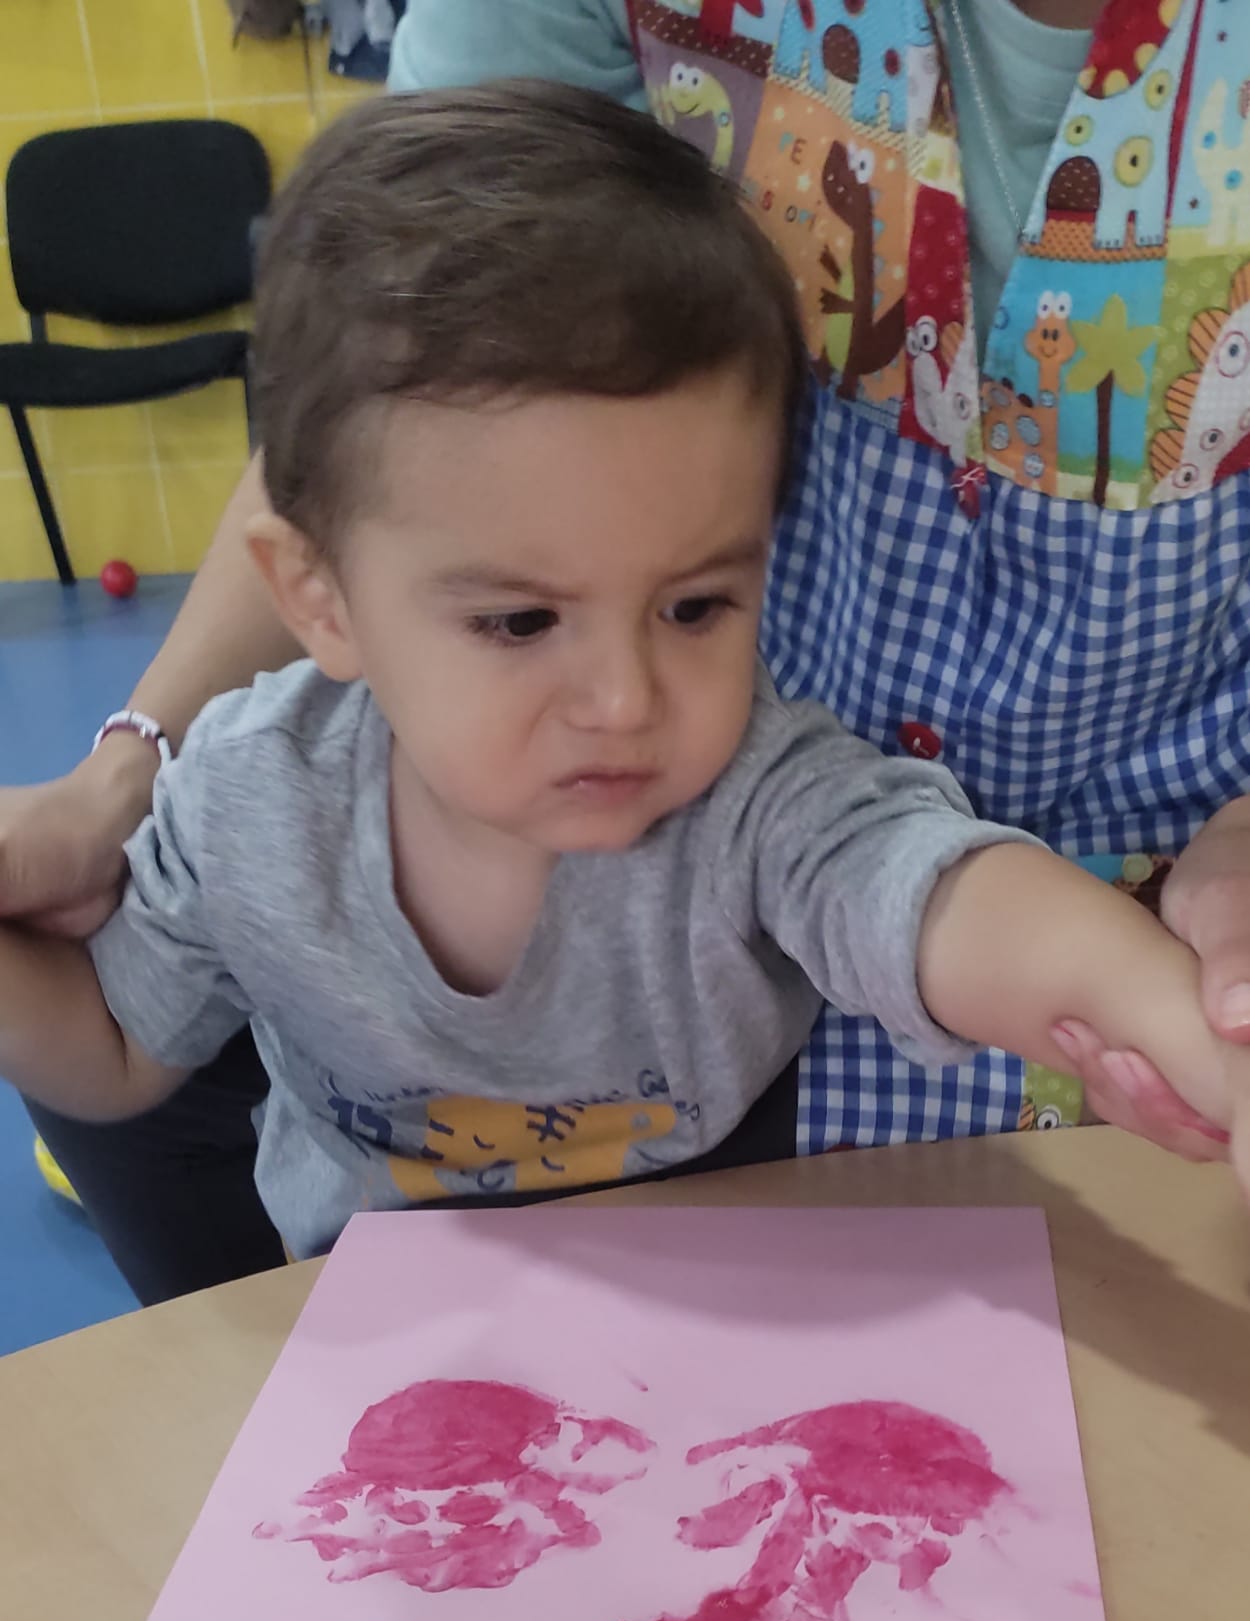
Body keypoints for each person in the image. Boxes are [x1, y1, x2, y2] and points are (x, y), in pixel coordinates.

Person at [4, 0, 1250, 1298]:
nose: (624, 699)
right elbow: (112, 1047)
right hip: (396, 1350)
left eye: (695, 606)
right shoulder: (249, 797)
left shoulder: (753, 792)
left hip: (718, 1317)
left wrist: (1194, 1037)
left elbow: (952, 903)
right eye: (520, 622)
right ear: (319, 597)